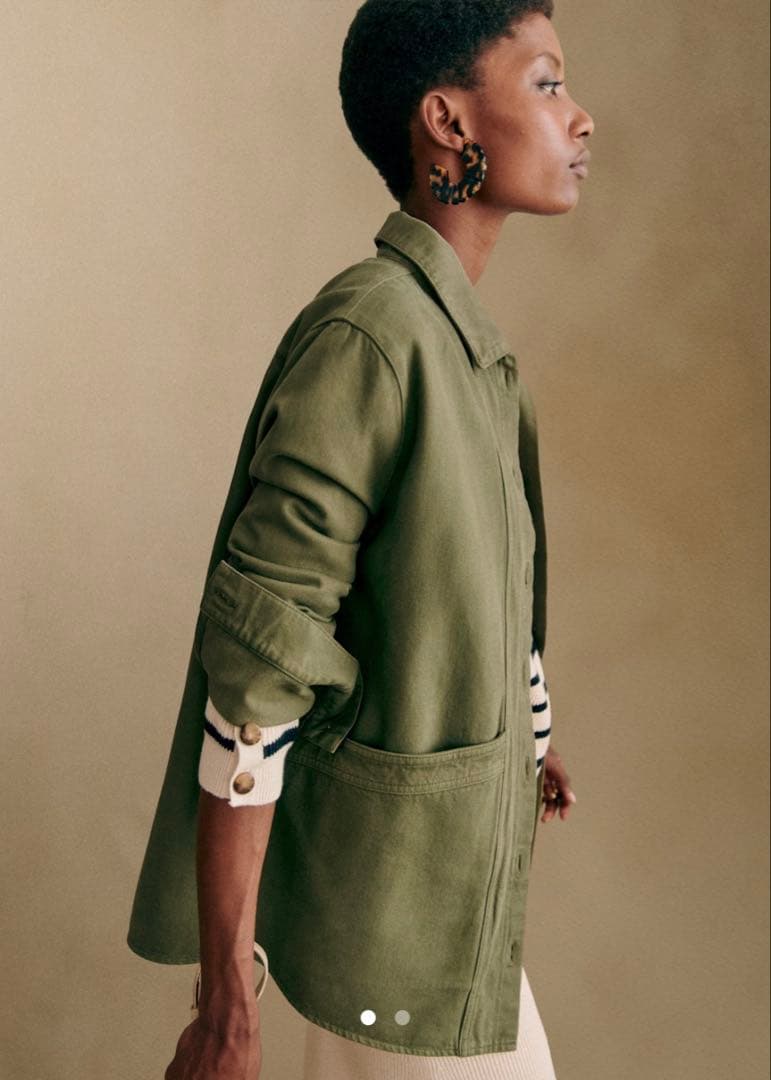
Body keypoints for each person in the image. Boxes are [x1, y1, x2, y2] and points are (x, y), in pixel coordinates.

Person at [131, 1, 592, 1077]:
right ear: (448, 122)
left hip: (441, 913)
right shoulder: (374, 339)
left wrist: (523, 735)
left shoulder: (466, 353)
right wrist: (227, 1003)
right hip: (389, 929)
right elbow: (258, 674)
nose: (579, 116)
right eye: (545, 82)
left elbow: (462, 597)